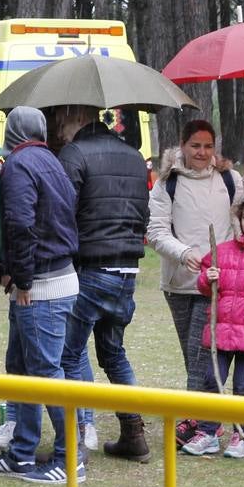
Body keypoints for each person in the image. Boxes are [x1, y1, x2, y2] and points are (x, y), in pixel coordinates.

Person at [0, 108, 81, 483]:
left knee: (44, 373)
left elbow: (20, 222)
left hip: (40, 285)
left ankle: (70, 458)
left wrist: (23, 278)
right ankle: (21, 453)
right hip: (55, 276)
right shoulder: (52, 161)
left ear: (11, 133)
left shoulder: (19, 164)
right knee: (22, 370)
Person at [56, 108, 152, 463]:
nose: (60, 128)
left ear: (77, 117)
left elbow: (62, 211)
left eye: (62, 120)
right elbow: (143, 215)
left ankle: (76, 438)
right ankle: (133, 433)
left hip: (90, 268)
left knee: (69, 354)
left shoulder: (75, 154)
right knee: (114, 354)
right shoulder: (134, 156)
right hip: (127, 269)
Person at [146, 119, 243, 444]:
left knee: (200, 353)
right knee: (194, 358)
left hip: (215, 283)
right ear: (183, 146)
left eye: (207, 146)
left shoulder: (230, 180)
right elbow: (157, 231)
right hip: (179, 282)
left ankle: (202, 426)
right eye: (195, 145)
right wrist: (183, 252)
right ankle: (202, 419)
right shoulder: (167, 183)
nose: (202, 152)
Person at [181, 194, 244, 458]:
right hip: (223, 327)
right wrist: (208, 277)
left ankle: (242, 435)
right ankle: (208, 432)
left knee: (243, 385)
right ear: (238, 218)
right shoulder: (222, 250)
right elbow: (206, 286)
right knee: (211, 378)